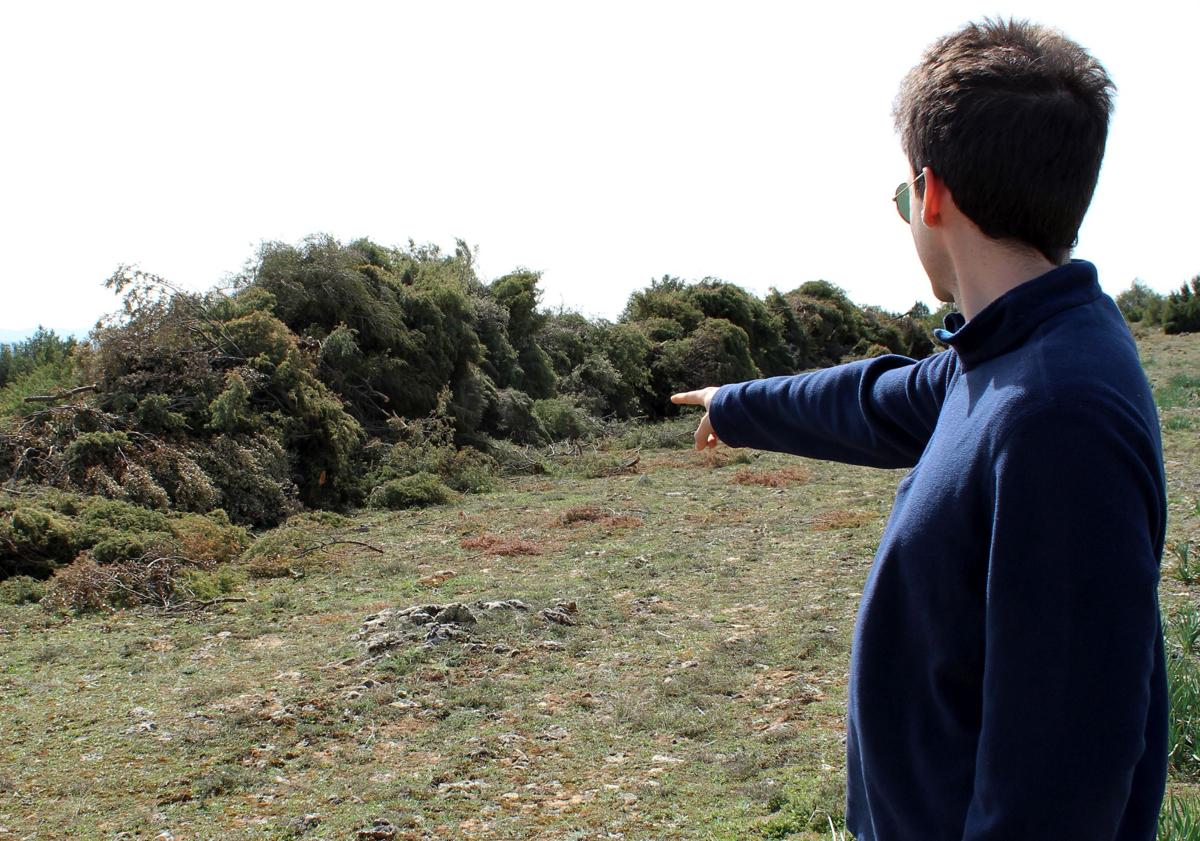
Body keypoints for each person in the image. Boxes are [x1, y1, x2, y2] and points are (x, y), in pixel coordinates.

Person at [671, 18, 1167, 841]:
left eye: (904, 196)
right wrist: (737, 401)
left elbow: (1057, 792)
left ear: (932, 195)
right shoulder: (1011, 352)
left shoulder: (1057, 414)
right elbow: (875, 398)